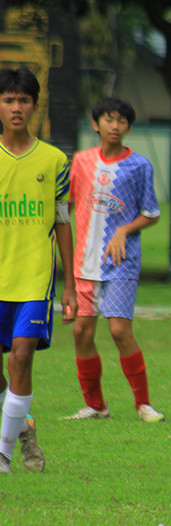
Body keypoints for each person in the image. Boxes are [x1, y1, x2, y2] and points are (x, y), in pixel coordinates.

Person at [62, 97, 164, 423]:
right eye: (109, 119)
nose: (115, 126)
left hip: (121, 261)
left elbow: (151, 212)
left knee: (119, 330)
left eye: (121, 121)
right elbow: (69, 207)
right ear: (96, 124)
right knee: (81, 331)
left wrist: (124, 230)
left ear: (129, 127)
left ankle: (144, 405)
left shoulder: (140, 165)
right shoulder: (81, 162)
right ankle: (96, 406)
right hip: (84, 263)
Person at [0, 66, 75, 474]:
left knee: (22, 358)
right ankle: (23, 426)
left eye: (23, 100)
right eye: (8, 99)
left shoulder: (55, 160)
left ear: (34, 105)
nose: (16, 108)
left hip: (33, 278)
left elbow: (62, 220)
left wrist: (70, 284)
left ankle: (3, 454)